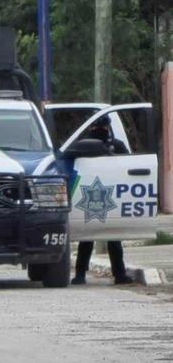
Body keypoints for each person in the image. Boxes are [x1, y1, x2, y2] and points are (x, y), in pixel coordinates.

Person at [71, 116, 133, 285]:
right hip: (89, 193)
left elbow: (128, 165)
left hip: (111, 194)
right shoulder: (82, 146)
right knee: (87, 237)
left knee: (113, 237)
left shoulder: (117, 146)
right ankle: (80, 274)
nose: (101, 130)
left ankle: (119, 274)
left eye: (103, 127)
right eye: (98, 126)